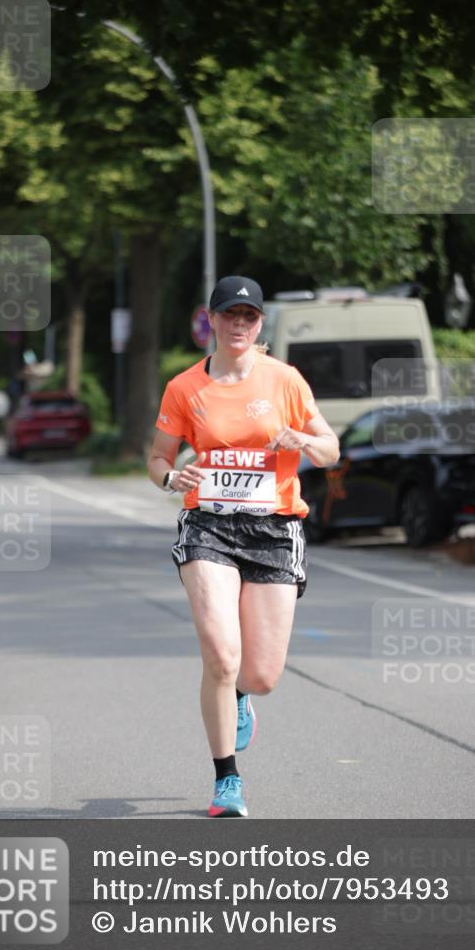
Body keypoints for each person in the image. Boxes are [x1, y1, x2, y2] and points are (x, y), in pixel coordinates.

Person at [147, 276, 339, 817]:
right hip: (208, 526)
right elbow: (158, 458)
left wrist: (304, 440)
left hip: (274, 530)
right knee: (220, 653)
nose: (238, 324)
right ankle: (226, 779)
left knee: (260, 676)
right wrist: (171, 479)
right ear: (210, 319)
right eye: (229, 314)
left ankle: (239, 696)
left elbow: (330, 449)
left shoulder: (285, 380)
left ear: (259, 324)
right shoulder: (184, 387)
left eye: (248, 316)